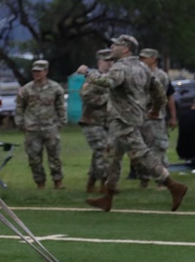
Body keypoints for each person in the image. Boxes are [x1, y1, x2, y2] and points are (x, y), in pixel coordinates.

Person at [77, 35, 187, 212]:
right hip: (130, 117)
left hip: (123, 119)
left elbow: (107, 82)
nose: (112, 47)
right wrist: (155, 109)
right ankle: (108, 196)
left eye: (116, 45)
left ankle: (173, 186)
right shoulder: (143, 67)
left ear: (126, 48)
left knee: (141, 153)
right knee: (114, 156)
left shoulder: (120, 67)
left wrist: (88, 72)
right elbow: (159, 91)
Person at [14, 59, 67, 189]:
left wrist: (61, 121)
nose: (36, 74)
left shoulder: (55, 88)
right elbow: (19, 107)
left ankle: (58, 181)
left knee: (54, 156)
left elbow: (60, 106)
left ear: (46, 72)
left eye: (39, 71)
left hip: (50, 127)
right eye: (34, 71)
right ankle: (40, 182)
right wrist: (20, 123)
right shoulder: (26, 89)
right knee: (34, 158)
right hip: (32, 128)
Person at [137, 48, 177, 187]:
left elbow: (168, 97)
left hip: (156, 118)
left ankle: (162, 181)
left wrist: (173, 117)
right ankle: (144, 179)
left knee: (159, 148)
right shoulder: (139, 74)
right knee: (142, 150)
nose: (141, 60)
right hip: (141, 118)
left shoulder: (160, 76)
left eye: (144, 58)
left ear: (153, 59)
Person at [78, 49, 113, 193]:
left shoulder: (112, 78)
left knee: (100, 153)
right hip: (91, 120)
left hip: (107, 122)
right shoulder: (93, 78)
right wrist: (107, 99)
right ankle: (105, 184)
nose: (109, 64)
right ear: (99, 62)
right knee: (103, 151)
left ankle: (91, 182)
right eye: (106, 61)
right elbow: (86, 96)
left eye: (111, 60)